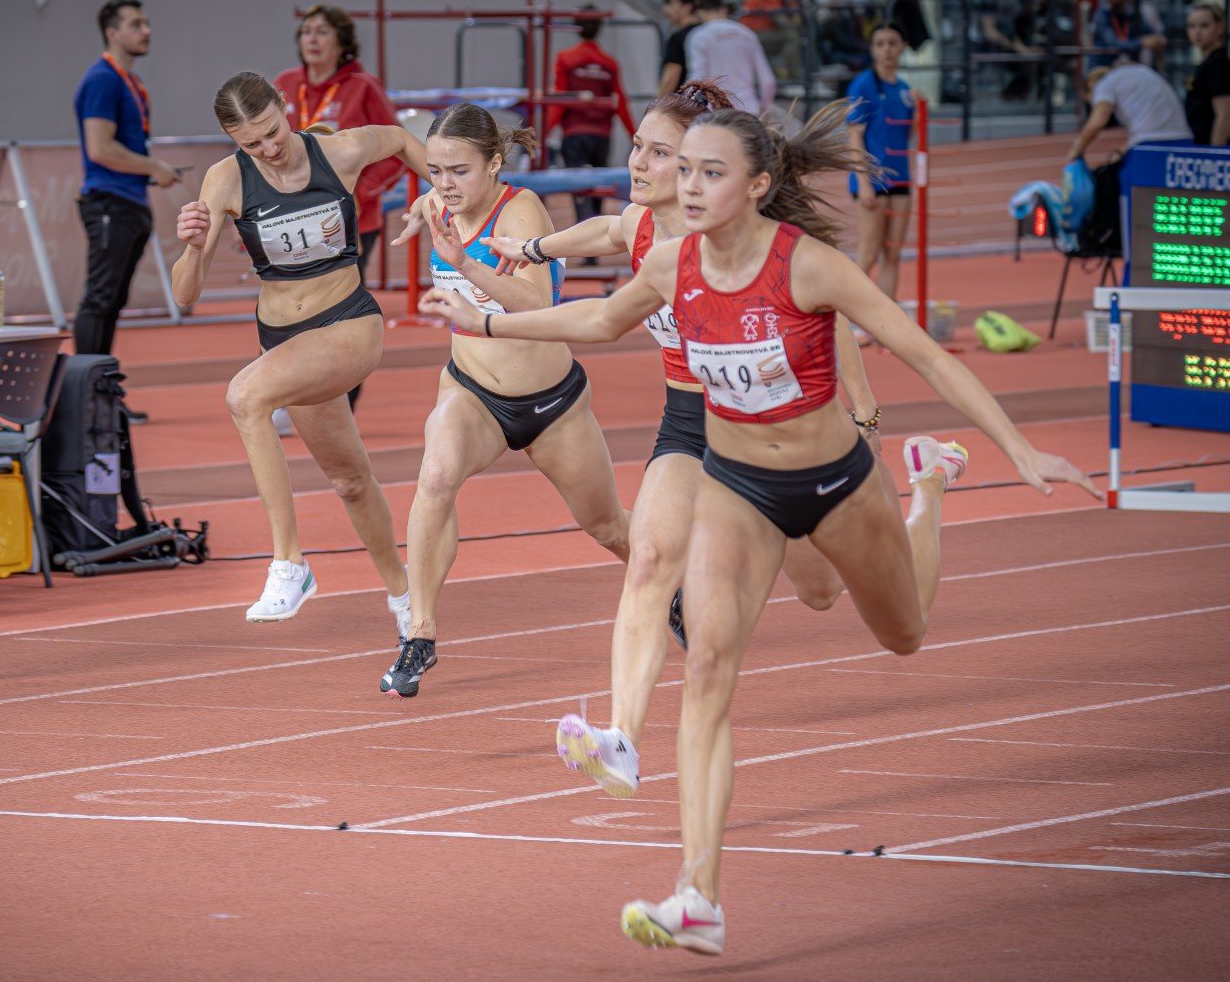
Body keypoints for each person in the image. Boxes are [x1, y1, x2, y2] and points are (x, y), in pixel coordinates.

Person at [505, 103, 1097, 954]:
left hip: (837, 481)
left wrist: (1020, 448)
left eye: (711, 171)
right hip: (739, 486)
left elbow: (925, 352)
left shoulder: (808, 266)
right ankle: (698, 896)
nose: (688, 183)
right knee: (707, 663)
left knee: (903, 633)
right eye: (685, 168)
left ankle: (927, 494)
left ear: (757, 185)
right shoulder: (674, 262)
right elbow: (597, 321)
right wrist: (485, 321)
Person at [439, 82, 884, 797]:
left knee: (824, 590)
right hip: (687, 419)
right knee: (647, 559)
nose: (636, 161)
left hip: (772, 424)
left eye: (656, 152)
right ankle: (620, 739)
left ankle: (919, 500)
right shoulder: (645, 229)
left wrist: (861, 415)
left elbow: (825, 316)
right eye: (638, 145)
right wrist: (530, 246)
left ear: (700, 166)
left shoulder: (749, 245)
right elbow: (605, 234)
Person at [381, 103, 631, 698]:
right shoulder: (440, 200)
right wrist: (421, 211)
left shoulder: (519, 209)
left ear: (493, 165)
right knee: (435, 477)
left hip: (551, 403)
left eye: (458, 172)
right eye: (434, 171)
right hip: (472, 392)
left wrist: (466, 263)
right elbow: (427, 201)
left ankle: (671, 587)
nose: (444, 184)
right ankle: (419, 633)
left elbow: (537, 305)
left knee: (606, 526)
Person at [170, 72, 429, 630]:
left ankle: (289, 563)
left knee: (245, 396)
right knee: (350, 480)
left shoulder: (337, 150)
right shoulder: (226, 180)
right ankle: (405, 597)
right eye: (250, 143)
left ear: (284, 109)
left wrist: (445, 201)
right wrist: (193, 249)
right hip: (286, 341)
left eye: (271, 131)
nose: (268, 148)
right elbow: (185, 295)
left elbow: (404, 139)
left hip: (348, 324)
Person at [274, 4, 403, 417]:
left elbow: (396, 149)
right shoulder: (284, 85)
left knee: (340, 313)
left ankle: (341, 402)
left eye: (322, 32)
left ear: (342, 42)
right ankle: (293, 391)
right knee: (292, 306)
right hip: (292, 220)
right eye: (306, 31)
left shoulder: (363, 87)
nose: (311, 39)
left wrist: (360, 191)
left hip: (351, 222)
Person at [74, 0, 183, 423]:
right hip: (110, 201)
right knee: (100, 298)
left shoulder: (128, 82)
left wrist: (151, 171)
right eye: (137, 24)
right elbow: (100, 148)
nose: (147, 30)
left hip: (129, 200)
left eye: (147, 22)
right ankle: (85, 397)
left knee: (112, 300)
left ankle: (98, 394)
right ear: (112, 32)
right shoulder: (102, 79)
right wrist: (153, 166)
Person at [548, 5, 636, 252]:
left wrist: (543, 132)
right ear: (600, 28)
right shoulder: (608, 62)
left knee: (580, 188)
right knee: (598, 186)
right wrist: (634, 134)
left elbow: (559, 101)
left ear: (577, 26)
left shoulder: (566, 58)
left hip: (575, 134)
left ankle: (586, 244)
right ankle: (597, 242)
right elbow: (621, 101)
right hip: (602, 135)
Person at [846, 22, 918, 304]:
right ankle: (845, 320)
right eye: (879, 44)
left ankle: (886, 326)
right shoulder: (863, 84)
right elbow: (854, 137)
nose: (886, 50)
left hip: (900, 178)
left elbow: (906, 136)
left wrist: (919, 109)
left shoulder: (904, 89)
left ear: (902, 48)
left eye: (892, 43)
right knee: (868, 253)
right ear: (872, 49)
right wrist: (863, 182)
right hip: (873, 181)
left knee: (893, 253)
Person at [1069, 61, 1192, 167]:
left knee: (1130, 187)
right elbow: (1150, 118)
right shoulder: (1138, 73)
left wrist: (1077, 148)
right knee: (1171, 191)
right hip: (1183, 138)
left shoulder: (1104, 84)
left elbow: (1097, 122)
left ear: (1091, 89)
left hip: (1151, 143)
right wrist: (1123, 149)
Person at [688, 0, 775, 116]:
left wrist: (690, 109)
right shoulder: (747, 33)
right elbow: (767, 80)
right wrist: (765, 107)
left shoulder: (699, 36)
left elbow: (697, 77)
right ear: (723, 9)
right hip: (748, 109)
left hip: (715, 111)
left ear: (699, 12)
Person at [741, 0, 806, 85]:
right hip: (751, 35)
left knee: (803, 32)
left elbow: (797, 21)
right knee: (791, 36)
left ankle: (798, 74)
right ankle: (795, 80)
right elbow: (783, 22)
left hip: (767, 32)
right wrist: (795, 12)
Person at [1088, 0, 1166, 70]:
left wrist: (1157, 39)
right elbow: (1112, 43)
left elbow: (1149, 31)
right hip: (1103, 68)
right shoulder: (1102, 14)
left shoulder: (1131, 13)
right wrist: (1141, 42)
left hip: (1126, 67)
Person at [1185, 2, 1230, 147]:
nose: (1197, 32)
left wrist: (1214, 155)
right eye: (1192, 26)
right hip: (1201, 142)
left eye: (1204, 26)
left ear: (1220, 27)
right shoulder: (1206, 63)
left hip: (1213, 149)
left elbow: (1225, 114)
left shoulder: (1217, 64)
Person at [658, 0, 699, 98]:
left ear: (688, 6)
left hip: (686, 102)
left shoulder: (677, 38)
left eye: (671, 4)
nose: (666, 10)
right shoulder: (706, 33)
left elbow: (671, 77)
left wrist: (656, 107)